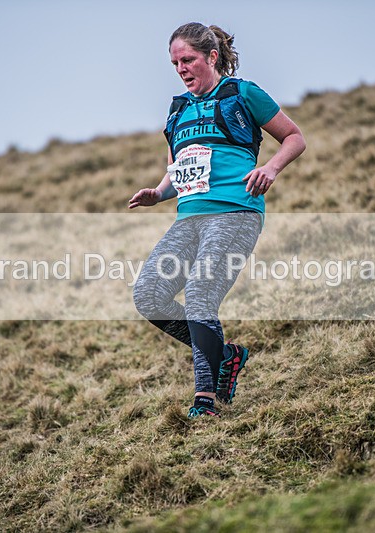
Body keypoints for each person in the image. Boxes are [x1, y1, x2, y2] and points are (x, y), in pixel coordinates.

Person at [129, 22, 305, 419]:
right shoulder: (178, 109)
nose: (181, 69)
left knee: (199, 297)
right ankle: (225, 356)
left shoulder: (243, 93)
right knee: (148, 295)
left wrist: (271, 169)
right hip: (189, 218)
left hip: (235, 212)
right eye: (175, 63)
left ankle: (204, 402)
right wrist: (158, 193)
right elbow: (178, 169)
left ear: (211, 56)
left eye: (188, 59)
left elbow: (294, 137)